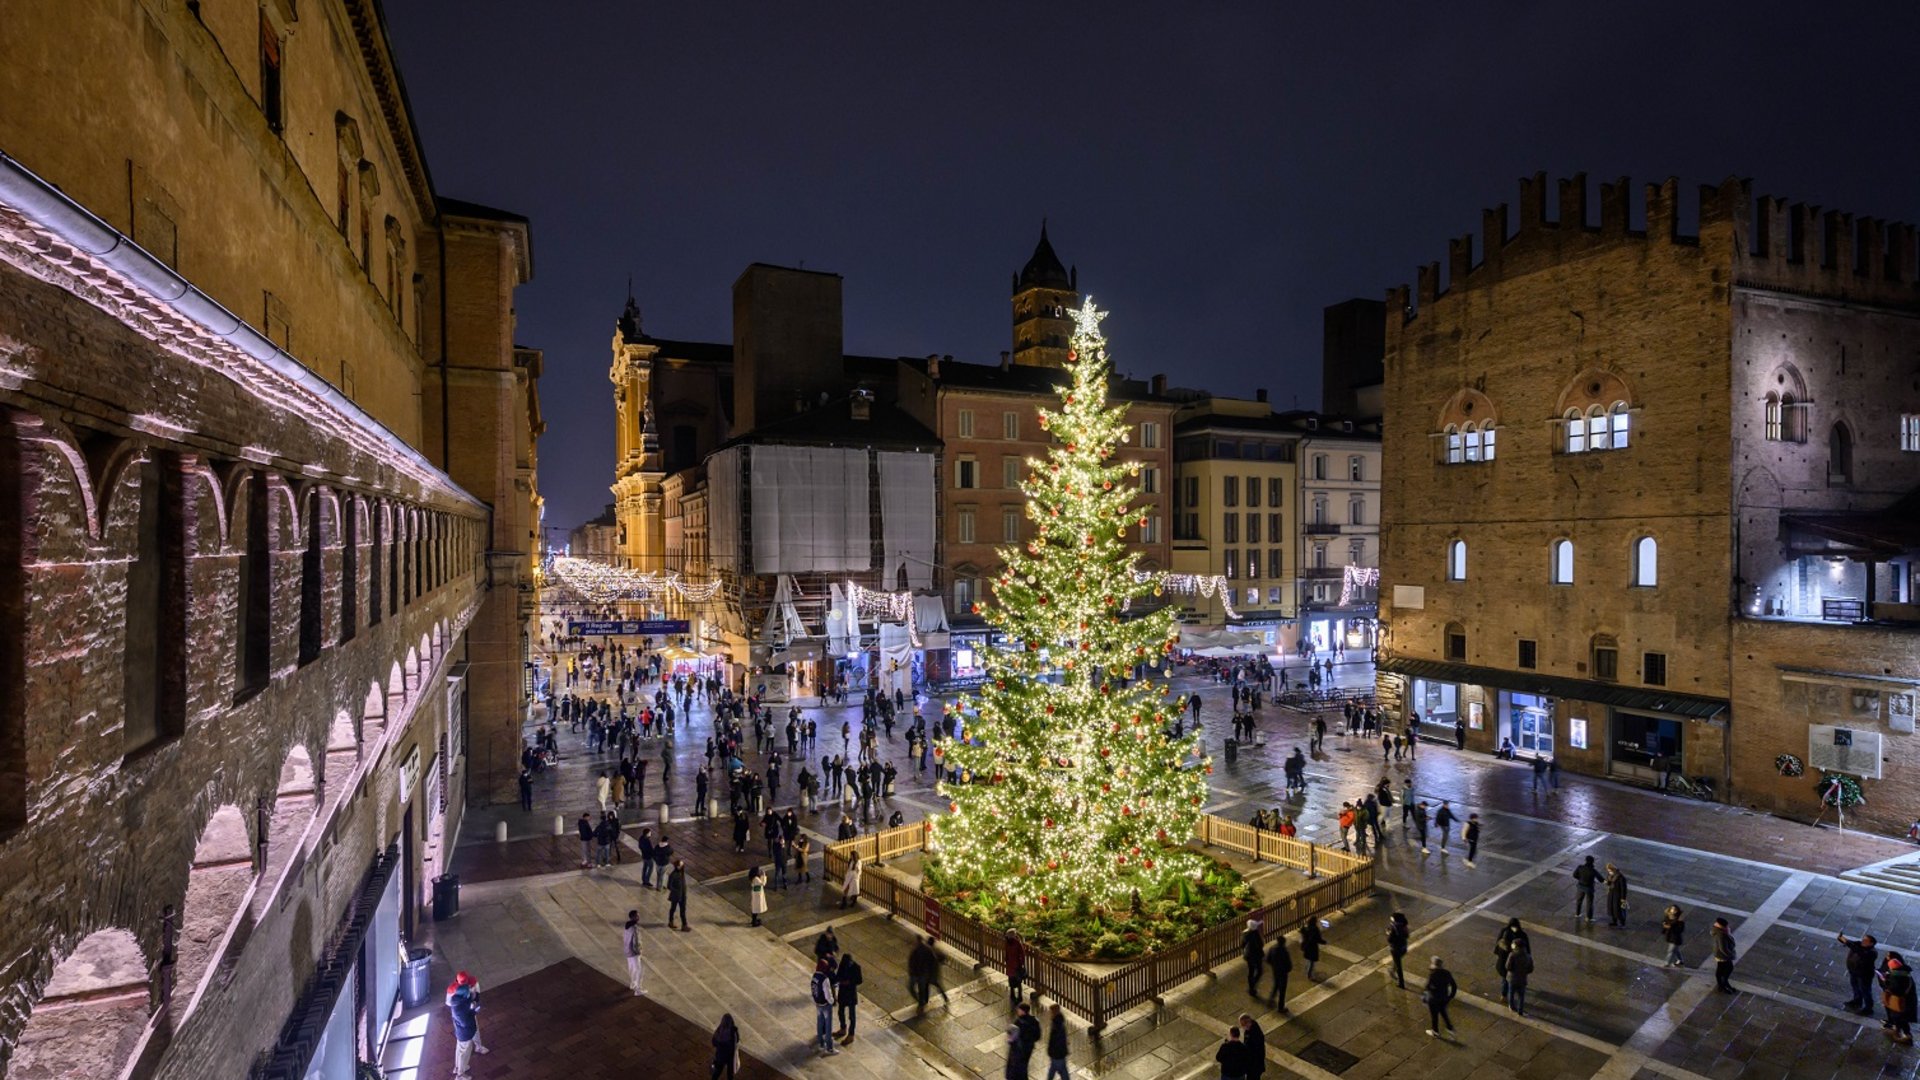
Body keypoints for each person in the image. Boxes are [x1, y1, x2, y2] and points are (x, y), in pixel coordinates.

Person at [445, 971, 488, 1078]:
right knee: (465, 1050)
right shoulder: (461, 1005)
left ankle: (458, 1067)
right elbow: (466, 1020)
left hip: (461, 1028)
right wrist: (474, 1010)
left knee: (460, 1049)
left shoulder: (457, 1001)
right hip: (466, 1030)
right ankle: (460, 1074)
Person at [1840, 932, 1880, 1014]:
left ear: (1871, 943)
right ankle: (1857, 1001)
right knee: (1855, 987)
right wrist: (1842, 938)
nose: (1863, 941)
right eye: (1863, 939)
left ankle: (1868, 1008)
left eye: (1866, 940)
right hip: (1854, 971)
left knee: (1865, 990)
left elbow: (1860, 952)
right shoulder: (1859, 944)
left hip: (1864, 975)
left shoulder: (1872, 952)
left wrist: (1847, 943)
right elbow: (1850, 943)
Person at [1882, 953, 1917, 1044]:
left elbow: (1896, 990)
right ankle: (1899, 1032)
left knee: (1901, 1018)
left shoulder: (1897, 977)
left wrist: (1886, 982)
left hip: (1901, 1001)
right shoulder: (1904, 973)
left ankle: (1907, 1036)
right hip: (1907, 1000)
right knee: (1901, 1018)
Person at [909, 934, 950, 1011]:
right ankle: (944, 998)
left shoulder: (929, 950)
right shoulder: (934, 950)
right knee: (937, 986)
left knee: (926, 987)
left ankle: (925, 1001)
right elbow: (943, 957)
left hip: (929, 973)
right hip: (932, 973)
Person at [810, 957, 839, 1055]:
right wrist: (832, 1001)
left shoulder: (814, 976)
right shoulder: (825, 979)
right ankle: (829, 1048)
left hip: (818, 1003)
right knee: (828, 1026)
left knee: (820, 1022)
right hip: (825, 1004)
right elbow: (828, 994)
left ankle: (820, 1043)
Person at [834, 951, 864, 1043]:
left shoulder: (856, 967)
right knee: (841, 1012)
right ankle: (843, 1028)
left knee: (852, 1016)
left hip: (851, 994)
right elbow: (838, 975)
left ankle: (851, 1034)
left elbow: (859, 980)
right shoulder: (843, 965)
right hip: (843, 993)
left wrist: (849, 982)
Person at [1007, 1001, 1042, 1079]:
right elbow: (1038, 1036)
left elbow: (1011, 1039)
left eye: (1019, 1010)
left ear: (1023, 1011)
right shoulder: (1034, 1020)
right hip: (1029, 1048)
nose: (1017, 1011)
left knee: (1018, 1068)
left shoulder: (1018, 1023)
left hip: (1020, 1049)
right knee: (1024, 1066)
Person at [1504, 931, 1532, 1016]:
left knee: (1511, 993)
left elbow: (1508, 966)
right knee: (1521, 995)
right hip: (1522, 979)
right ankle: (1520, 1010)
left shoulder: (1512, 955)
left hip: (1512, 978)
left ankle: (1512, 1006)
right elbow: (1530, 969)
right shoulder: (1528, 956)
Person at [1265, 932, 1292, 1012]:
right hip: (1283, 972)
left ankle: (1271, 999)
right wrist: (1287, 969)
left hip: (1275, 971)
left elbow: (1267, 959)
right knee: (1282, 990)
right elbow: (1288, 964)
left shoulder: (1272, 948)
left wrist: (1273, 965)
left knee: (1276, 985)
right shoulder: (1284, 951)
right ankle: (1281, 1007)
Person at [710, 1013, 741, 1080]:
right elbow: (737, 1040)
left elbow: (713, 1042)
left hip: (720, 1056)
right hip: (730, 1056)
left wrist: (719, 1044)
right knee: (730, 1074)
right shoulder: (733, 1031)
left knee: (717, 1072)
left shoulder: (719, 1030)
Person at [1044, 1003, 1071, 1080]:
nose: (1049, 1013)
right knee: (1058, 1070)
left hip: (1057, 1054)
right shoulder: (1058, 1023)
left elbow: (1056, 1041)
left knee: (1058, 1070)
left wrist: (1051, 1051)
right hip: (1059, 1054)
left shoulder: (1056, 1026)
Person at [1711, 917, 1737, 993]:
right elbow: (1723, 948)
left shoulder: (1721, 932)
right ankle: (1723, 985)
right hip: (1722, 955)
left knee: (1722, 969)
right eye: (1726, 926)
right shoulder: (1721, 934)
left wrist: (1728, 933)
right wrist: (1731, 955)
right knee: (1726, 969)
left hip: (1721, 954)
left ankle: (1723, 985)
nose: (1728, 927)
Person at [622, 909, 644, 994]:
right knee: (639, 970)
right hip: (634, 952)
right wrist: (639, 951)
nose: (639, 917)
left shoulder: (626, 926)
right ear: (634, 917)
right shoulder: (634, 928)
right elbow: (636, 941)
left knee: (631, 968)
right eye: (637, 915)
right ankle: (638, 989)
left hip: (627, 951)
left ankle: (632, 984)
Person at [1238, 1013, 1267, 1080]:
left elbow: (1253, 1051)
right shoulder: (1250, 1029)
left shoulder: (1255, 1034)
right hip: (1254, 1065)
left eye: (1242, 1025)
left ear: (1247, 1023)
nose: (1242, 1027)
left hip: (1254, 1066)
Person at [1572, 855, 1600, 922]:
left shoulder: (1580, 867)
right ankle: (1588, 917)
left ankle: (1577, 913)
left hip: (1580, 886)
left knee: (1579, 900)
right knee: (1589, 903)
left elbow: (1574, 875)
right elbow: (1600, 878)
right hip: (1589, 888)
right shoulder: (1593, 870)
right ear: (1592, 862)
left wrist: (1580, 879)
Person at [1386, 912, 1410, 989]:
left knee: (1399, 965)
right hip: (1403, 947)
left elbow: (1389, 939)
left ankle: (1401, 982)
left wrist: (1388, 933)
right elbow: (1407, 935)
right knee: (1397, 961)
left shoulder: (1394, 927)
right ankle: (1392, 971)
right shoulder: (1404, 925)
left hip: (1395, 949)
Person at [1242, 918, 1265, 995]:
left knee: (1251, 971)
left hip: (1248, 955)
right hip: (1256, 955)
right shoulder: (1255, 933)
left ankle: (1251, 987)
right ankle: (1253, 985)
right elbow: (1261, 944)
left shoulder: (1245, 934)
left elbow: (1242, 944)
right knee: (1259, 971)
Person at [1005, 928, 1029, 1003]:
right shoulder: (1017, 943)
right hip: (1016, 965)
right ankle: (1019, 997)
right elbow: (1022, 953)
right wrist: (1021, 963)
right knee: (1018, 982)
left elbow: (1007, 953)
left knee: (1012, 980)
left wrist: (1006, 959)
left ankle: (1013, 995)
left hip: (1010, 965)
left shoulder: (1008, 943)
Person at [1604, 863, 1630, 927]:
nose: (1609, 872)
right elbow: (1609, 883)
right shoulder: (1610, 876)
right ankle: (1614, 921)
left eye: (1610, 871)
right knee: (1612, 908)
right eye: (1608, 871)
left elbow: (1623, 889)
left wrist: (1623, 898)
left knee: (1619, 910)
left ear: (1613, 870)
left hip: (1618, 896)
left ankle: (1622, 923)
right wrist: (1607, 883)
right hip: (1611, 894)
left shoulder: (1621, 877)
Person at [667, 857, 689, 931]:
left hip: (682, 895)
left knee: (683, 910)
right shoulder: (673, 875)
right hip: (676, 896)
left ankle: (684, 925)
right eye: (681, 866)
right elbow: (669, 886)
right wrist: (676, 891)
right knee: (673, 909)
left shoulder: (681, 873)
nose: (682, 867)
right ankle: (671, 921)